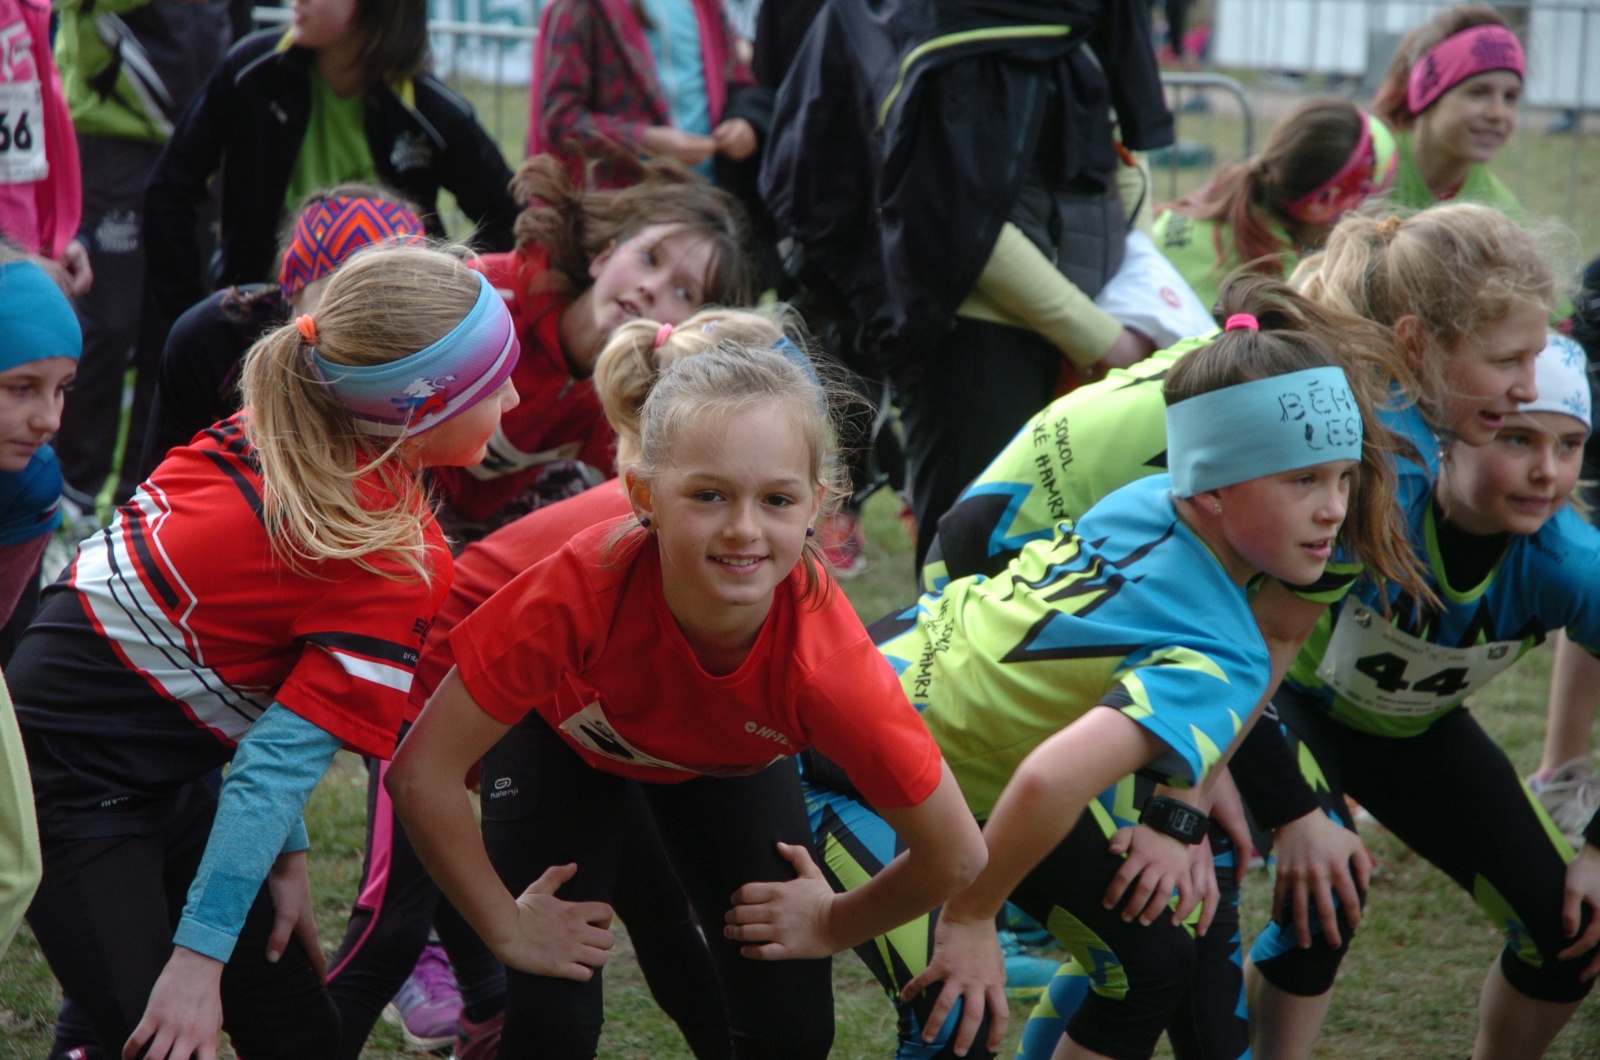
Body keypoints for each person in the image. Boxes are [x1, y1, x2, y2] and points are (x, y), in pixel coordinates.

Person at [803, 313, 1416, 1060]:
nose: (1334, 508)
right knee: (953, 1013)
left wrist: (1176, 811)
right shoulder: (1222, 653)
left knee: (1150, 961)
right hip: (835, 757)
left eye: (1344, 477)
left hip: (888, 684)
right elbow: (1051, 779)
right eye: (1302, 480)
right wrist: (972, 916)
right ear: (1214, 489)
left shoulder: (1148, 497)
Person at [387, 325, 988, 1059]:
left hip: (723, 763)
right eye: (708, 495)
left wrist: (833, 921)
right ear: (644, 494)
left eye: (777, 499)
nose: (743, 530)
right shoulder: (579, 590)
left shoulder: (826, 667)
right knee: (553, 1023)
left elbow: (956, 855)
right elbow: (420, 774)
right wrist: (506, 927)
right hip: (564, 741)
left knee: (791, 1028)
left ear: (818, 506)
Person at [9, 242, 521, 1060]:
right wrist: (197, 962)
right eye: (496, 382)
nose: (515, 396)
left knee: (299, 1034)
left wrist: (286, 856)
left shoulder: (281, 430)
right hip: (65, 781)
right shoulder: (394, 557)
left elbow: (248, 676)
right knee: (163, 1040)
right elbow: (274, 763)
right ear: (420, 405)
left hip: (168, 769)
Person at [326, 307, 790, 1060]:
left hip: (554, 710)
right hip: (425, 699)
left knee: (658, 909)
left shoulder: (690, 518)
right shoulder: (648, 524)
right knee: (393, 926)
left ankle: (488, 1012)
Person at [1244, 333, 1600, 1060]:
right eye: (1518, 438)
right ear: (1455, 431)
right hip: (1289, 705)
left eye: (1570, 446)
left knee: (1572, 935)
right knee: (1323, 904)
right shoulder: (1376, 500)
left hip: (1417, 735)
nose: (1546, 472)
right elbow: (1250, 637)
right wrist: (1289, 810)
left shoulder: (1572, 566)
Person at [760, 0, 1175, 571]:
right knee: (971, 569)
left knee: (1074, 569)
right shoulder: (941, 20)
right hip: (978, 346)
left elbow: (1120, 151)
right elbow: (952, 214)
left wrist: (1134, 288)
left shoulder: (1089, 14)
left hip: (1096, 328)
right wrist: (1103, 338)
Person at [140, 0, 520, 445]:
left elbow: (509, 217)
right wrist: (190, 304)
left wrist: (444, 304)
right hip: (266, 327)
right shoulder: (252, 72)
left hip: (382, 353)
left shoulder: (428, 108)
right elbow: (169, 191)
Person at [431, 153, 755, 541]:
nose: (651, 288)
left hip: (484, 520)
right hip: (397, 484)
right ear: (604, 256)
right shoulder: (481, 298)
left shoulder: (639, 391)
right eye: (649, 258)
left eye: (684, 291)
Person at [49, 0, 233, 511]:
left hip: (197, 145)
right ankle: (71, 496)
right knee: (107, 324)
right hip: (114, 140)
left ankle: (145, 494)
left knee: (177, 325)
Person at [136, 184, 425, 480]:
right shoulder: (212, 340)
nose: (361, 322)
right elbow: (157, 485)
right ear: (293, 284)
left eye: (392, 307)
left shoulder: (427, 369)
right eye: (341, 294)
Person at [0, 254, 80, 959]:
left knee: (12, 866)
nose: (47, 418)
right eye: (20, 387)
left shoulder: (29, 485)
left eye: (61, 390)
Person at [1151, 97, 1397, 311]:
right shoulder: (1288, 287)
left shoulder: (1218, 198)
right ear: (1328, 209)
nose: (1383, 216)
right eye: (1376, 203)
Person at [528, 0, 766, 190]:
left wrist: (744, 122)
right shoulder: (580, 7)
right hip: (625, 206)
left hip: (712, 196)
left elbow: (740, 82)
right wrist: (644, 141)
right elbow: (559, 120)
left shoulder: (706, 5)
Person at [1370, 4, 1525, 215]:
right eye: (1478, 93)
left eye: (1510, 97)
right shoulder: (1366, 176)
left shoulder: (1502, 215)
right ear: (1425, 94)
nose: (1498, 113)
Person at [0, 0, 88, 296]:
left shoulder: (21, 8)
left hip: (28, 267)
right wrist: (11, 259)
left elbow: (24, 157)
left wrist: (59, 238)